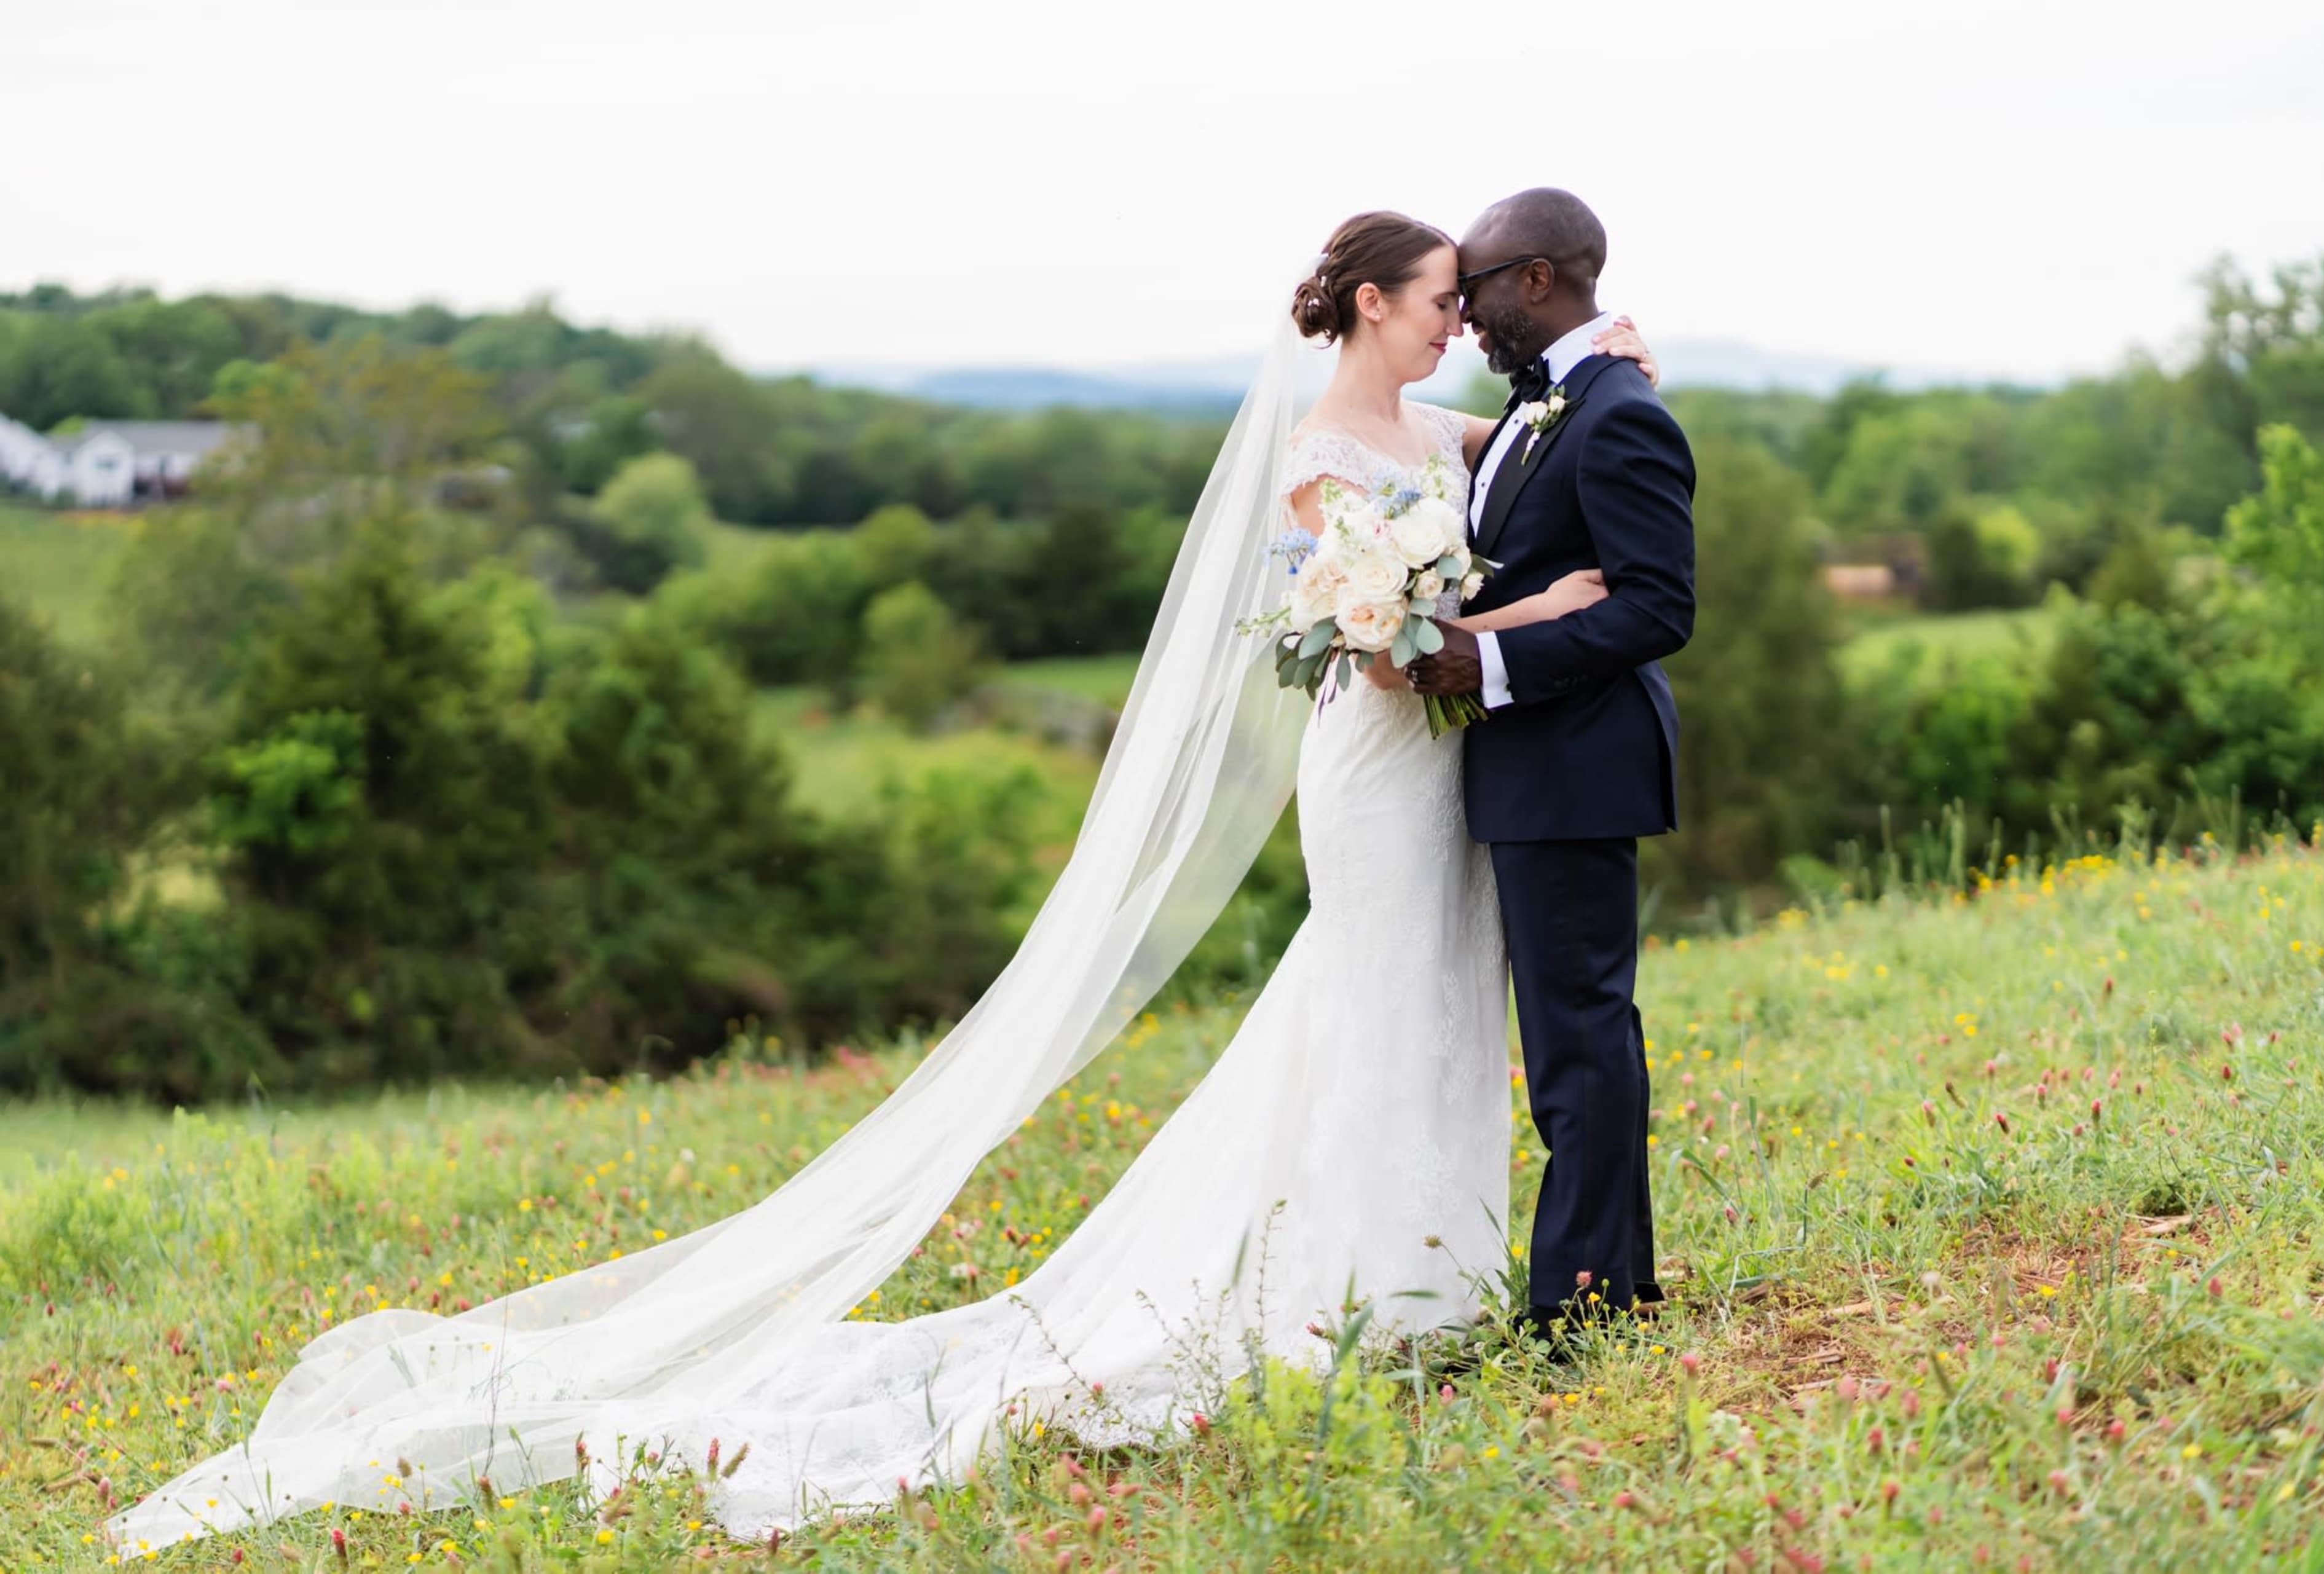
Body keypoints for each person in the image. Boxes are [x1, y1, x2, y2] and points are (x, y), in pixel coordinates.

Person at [106, 211, 1663, 1552]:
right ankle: (1372, 1284)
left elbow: (1532, 448)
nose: (1465, 319)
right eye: (1447, 297)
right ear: (1377, 302)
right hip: (1379, 759)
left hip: (1443, 767)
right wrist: (1525, 626)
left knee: (1420, 996)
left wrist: (1614, 356)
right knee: (1374, 991)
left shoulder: (1446, 430)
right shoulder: (1322, 458)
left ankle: (1425, 1268)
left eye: (1478, 295)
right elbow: (1386, 638)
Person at [1408, 187, 1698, 1339]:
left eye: (1474, 289)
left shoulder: (1617, 411)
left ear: (1536, 278)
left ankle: (1578, 1310)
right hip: (1535, 766)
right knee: (1580, 1034)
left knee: (1577, 1041)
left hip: (1575, 761)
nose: (1467, 315)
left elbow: (1658, 607)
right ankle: (1612, 1285)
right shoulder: (1546, 405)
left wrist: (1485, 668)